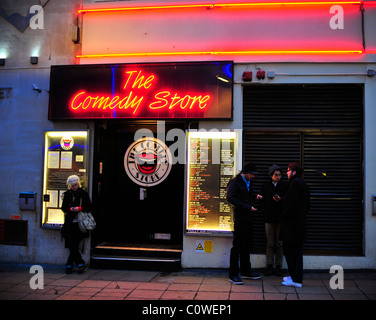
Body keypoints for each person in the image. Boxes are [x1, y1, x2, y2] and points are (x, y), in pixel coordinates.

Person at [226, 163, 262, 285]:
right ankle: (233, 274)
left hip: (249, 218)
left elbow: (246, 194)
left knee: (246, 246)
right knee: (238, 246)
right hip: (241, 219)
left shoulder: (247, 182)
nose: (253, 177)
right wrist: (247, 207)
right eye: (252, 174)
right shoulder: (235, 182)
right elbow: (230, 197)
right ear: (245, 173)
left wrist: (255, 195)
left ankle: (246, 271)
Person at [280, 162, 310, 288]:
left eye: (288, 170)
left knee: (290, 250)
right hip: (298, 224)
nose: (286, 172)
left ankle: (296, 279)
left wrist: (283, 215)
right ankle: (294, 276)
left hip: (292, 225)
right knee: (295, 251)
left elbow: (292, 204)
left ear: (294, 172)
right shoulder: (302, 183)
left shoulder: (295, 184)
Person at [61, 175, 92, 274]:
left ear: (78, 184)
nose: (74, 187)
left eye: (75, 185)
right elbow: (64, 208)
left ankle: (70, 264)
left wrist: (80, 208)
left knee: (73, 244)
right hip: (69, 223)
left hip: (79, 224)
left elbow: (89, 206)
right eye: (72, 185)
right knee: (72, 244)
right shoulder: (67, 195)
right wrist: (70, 209)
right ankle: (80, 263)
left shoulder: (83, 194)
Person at [260, 164, 287, 276]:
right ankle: (270, 266)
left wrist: (281, 199)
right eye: (276, 175)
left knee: (279, 244)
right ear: (271, 175)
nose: (278, 177)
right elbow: (262, 200)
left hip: (280, 218)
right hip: (269, 217)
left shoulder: (284, 186)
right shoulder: (266, 186)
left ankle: (278, 266)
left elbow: (288, 199)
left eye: (280, 175)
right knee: (270, 243)